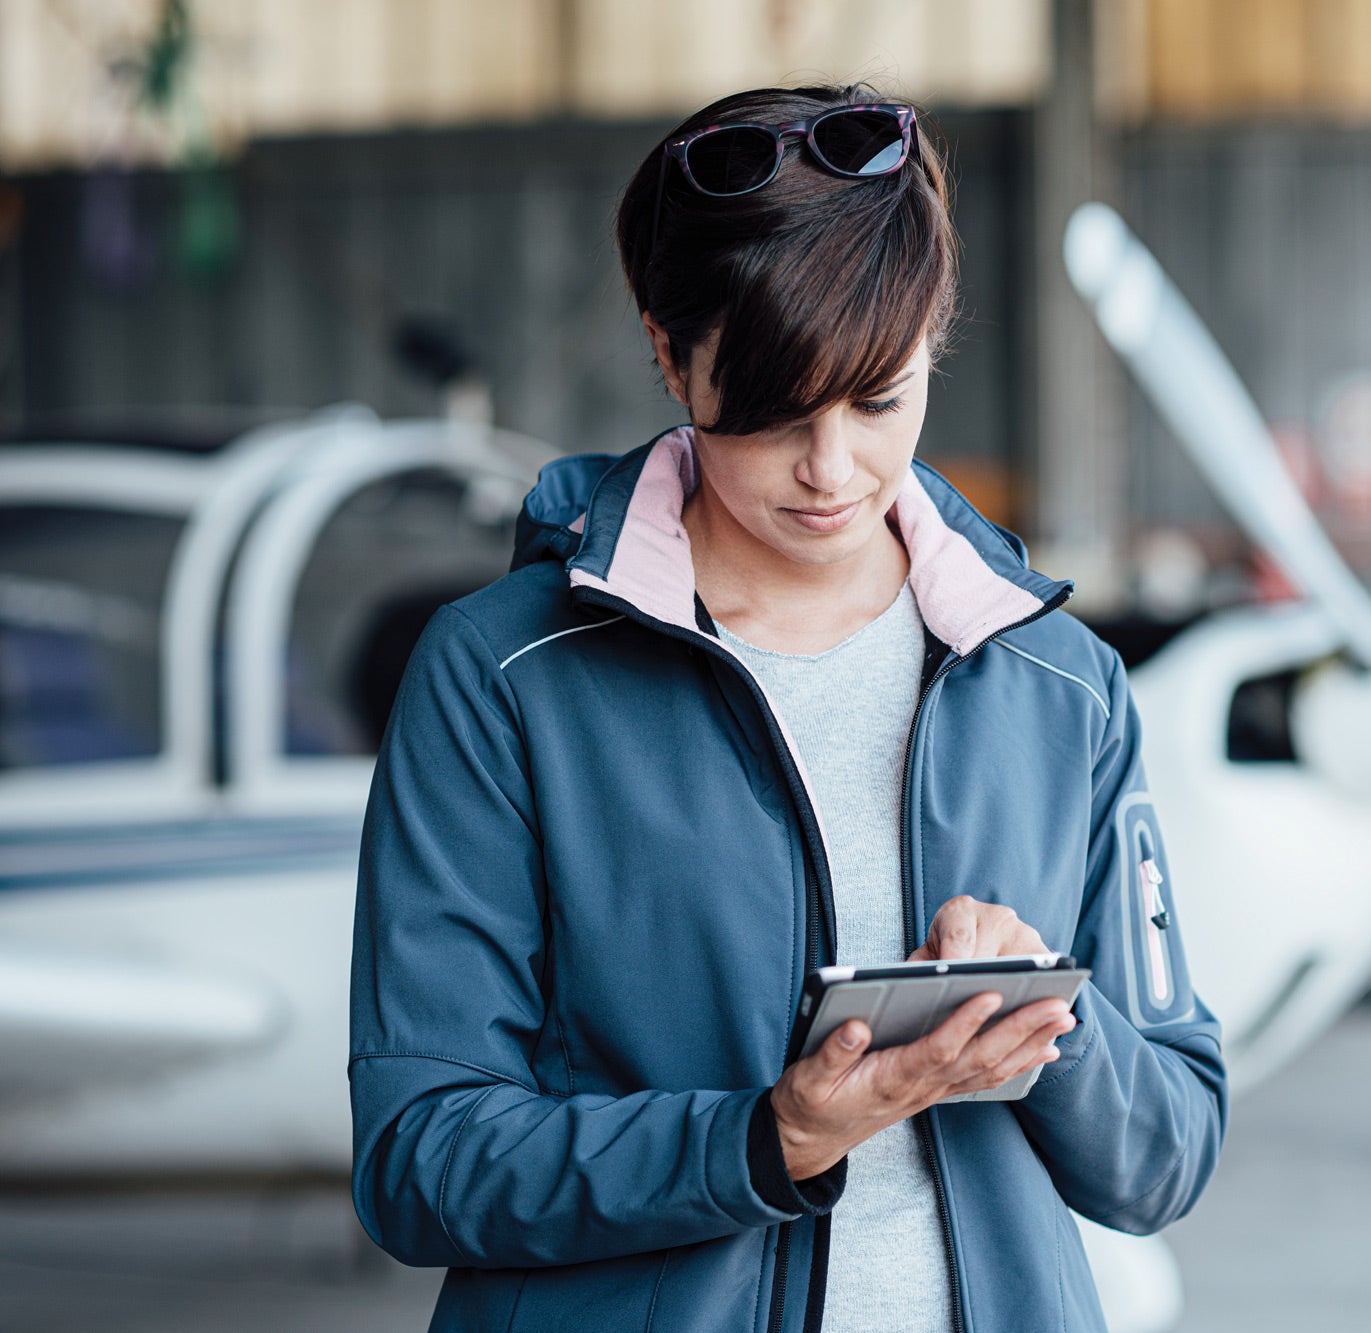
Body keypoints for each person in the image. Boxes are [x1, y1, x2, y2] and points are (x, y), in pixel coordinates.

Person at [348, 84, 1226, 1333]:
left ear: (933, 343)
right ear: (669, 353)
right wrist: (766, 1140)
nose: (830, 468)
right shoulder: (502, 677)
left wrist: (1049, 1019)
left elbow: (1168, 1154)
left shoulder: (1058, 684)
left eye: (877, 398)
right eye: (770, 411)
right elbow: (419, 1157)